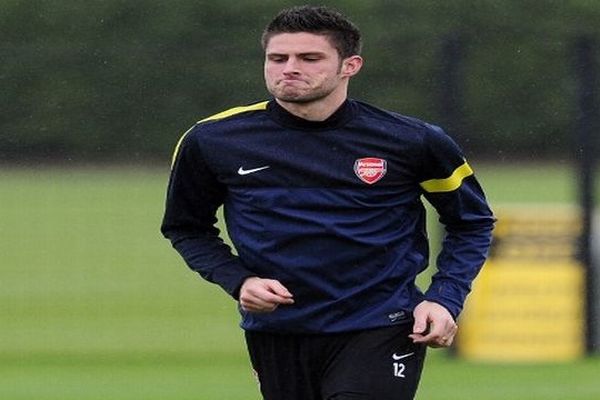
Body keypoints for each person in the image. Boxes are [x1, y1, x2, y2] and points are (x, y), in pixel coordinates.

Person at [161, 5, 494, 400]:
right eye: (277, 58)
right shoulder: (212, 140)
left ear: (349, 65)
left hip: (381, 323)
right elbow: (186, 227)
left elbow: (471, 222)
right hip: (278, 329)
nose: (289, 68)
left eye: (309, 58)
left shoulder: (413, 141)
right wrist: (239, 281)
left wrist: (444, 299)